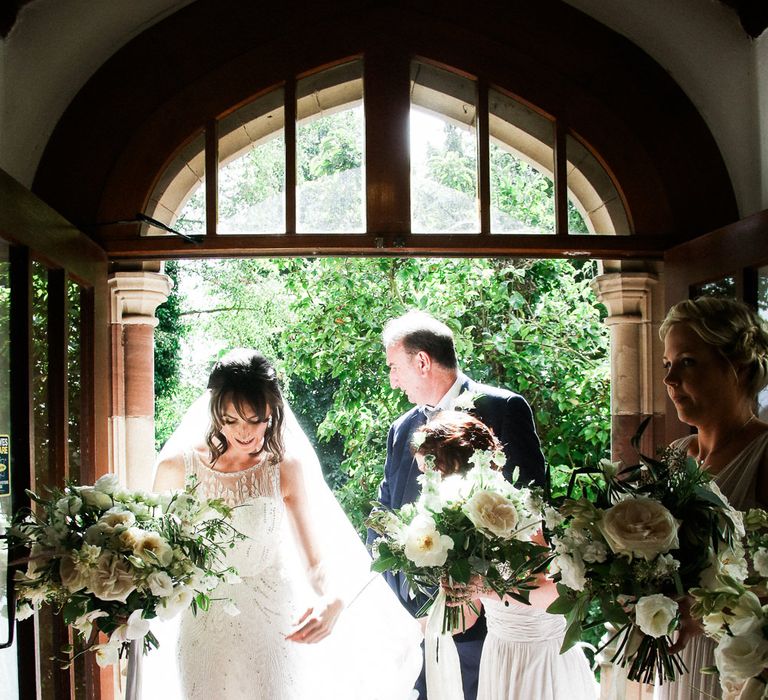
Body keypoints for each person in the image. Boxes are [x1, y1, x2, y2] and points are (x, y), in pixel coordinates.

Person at [151, 349, 422, 699]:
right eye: (230, 421)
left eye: (254, 419)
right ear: (214, 412)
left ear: (272, 410)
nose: (244, 432)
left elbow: (316, 562)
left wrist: (332, 598)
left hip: (274, 625)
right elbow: (152, 552)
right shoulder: (176, 467)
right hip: (204, 627)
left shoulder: (283, 467)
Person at [373, 310, 547, 700]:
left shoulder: (503, 409)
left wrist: (482, 588)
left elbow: (531, 506)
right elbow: (384, 516)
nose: (392, 380)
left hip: (484, 631)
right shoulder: (402, 429)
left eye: (394, 367)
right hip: (415, 628)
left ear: (422, 361)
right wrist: (400, 602)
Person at [413, 411, 597, 700]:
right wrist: (448, 598)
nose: (428, 481)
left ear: (458, 463)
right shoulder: (457, 520)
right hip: (499, 653)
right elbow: (466, 619)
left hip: (539, 653)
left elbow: (553, 594)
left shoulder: (513, 510)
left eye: (432, 470)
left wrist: (482, 587)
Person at [656, 297, 768, 700]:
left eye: (687, 362)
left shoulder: (763, 454)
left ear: (736, 366)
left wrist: (705, 610)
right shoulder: (674, 456)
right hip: (676, 658)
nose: (669, 381)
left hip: (737, 664)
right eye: (667, 365)